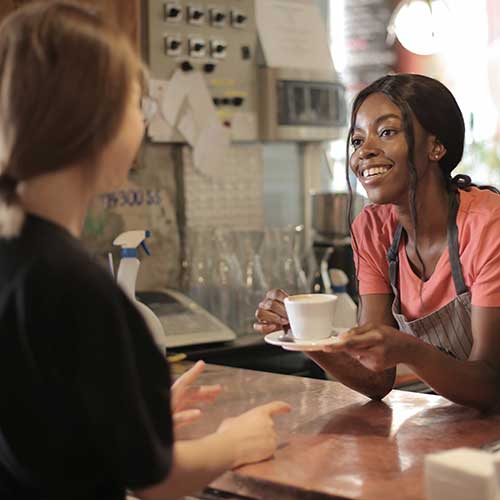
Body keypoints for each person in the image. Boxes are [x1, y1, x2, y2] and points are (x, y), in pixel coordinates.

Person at [0, 2, 291, 499]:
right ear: (96, 121)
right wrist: (232, 443)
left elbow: (42, 420)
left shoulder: (17, 259)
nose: (143, 124)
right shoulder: (74, 283)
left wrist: (132, 410)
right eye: (138, 105)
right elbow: (155, 480)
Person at [255, 73, 500, 412]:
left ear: (436, 146)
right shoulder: (372, 230)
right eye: (357, 140)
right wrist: (302, 334)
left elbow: (490, 383)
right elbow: (376, 380)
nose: (365, 152)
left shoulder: (488, 226)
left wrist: (409, 350)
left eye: (386, 132)